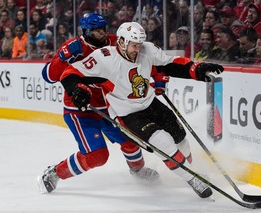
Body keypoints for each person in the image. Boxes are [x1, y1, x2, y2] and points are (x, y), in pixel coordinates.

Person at [60, 22, 224, 198]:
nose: (137, 49)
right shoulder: (104, 57)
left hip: (150, 103)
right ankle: (193, 179)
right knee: (163, 142)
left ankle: (189, 171)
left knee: (179, 136)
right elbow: (69, 74)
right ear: (121, 42)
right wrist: (76, 89)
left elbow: (170, 64)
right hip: (127, 114)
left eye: (139, 45)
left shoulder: (146, 49)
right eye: (133, 45)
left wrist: (196, 69)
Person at [38, 14, 159, 194]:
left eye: (103, 29)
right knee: (97, 156)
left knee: (131, 140)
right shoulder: (75, 47)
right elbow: (48, 76)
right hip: (80, 111)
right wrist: (62, 58)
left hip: (110, 107)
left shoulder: (115, 42)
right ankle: (55, 173)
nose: (102, 34)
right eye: (96, 31)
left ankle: (138, 170)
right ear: (86, 32)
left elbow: (142, 55)